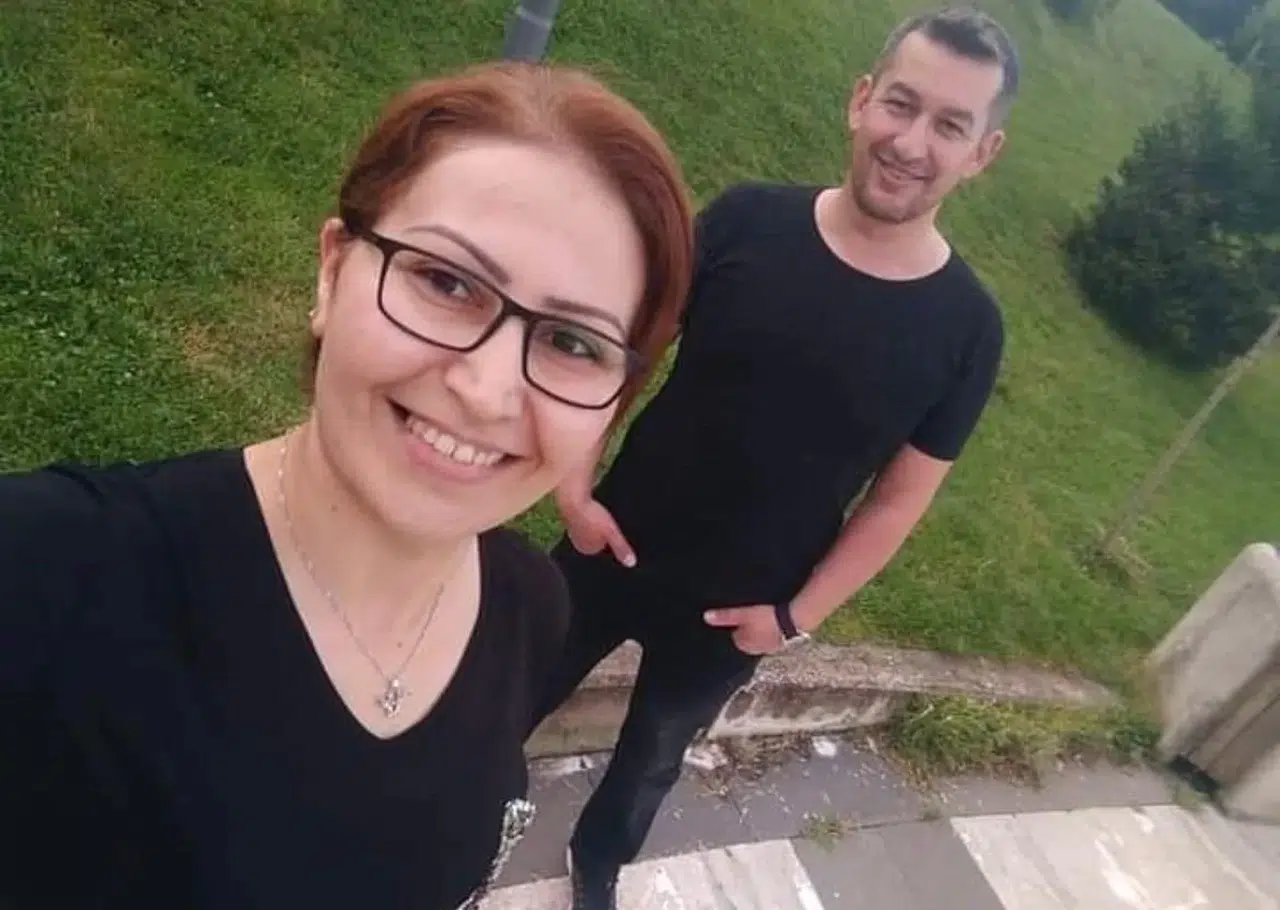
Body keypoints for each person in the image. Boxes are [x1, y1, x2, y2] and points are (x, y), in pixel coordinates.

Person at [0, 61, 693, 910]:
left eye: (572, 343)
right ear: (333, 273)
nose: (486, 390)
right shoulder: (46, 582)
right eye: (445, 282)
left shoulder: (528, 607)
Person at [539, 8, 1021, 908]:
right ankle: (456, 802)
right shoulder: (747, 219)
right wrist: (573, 483)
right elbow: (628, 351)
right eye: (902, 104)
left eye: (950, 125)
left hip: (740, 611)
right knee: (510, 689)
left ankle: (598, 858)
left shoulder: (968, 330)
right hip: (615, 541)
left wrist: (795, 619)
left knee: (653, 757)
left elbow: (897, 500)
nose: (912, 142)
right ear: (861, 100)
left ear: (981, 153)